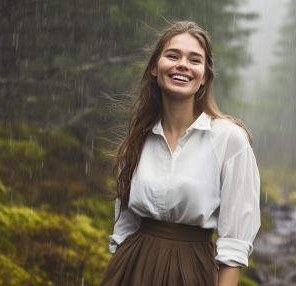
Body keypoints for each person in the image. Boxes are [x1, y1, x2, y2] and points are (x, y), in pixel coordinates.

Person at [100, 21, 261, 286]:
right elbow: (125, 227)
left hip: (192, 271)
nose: (183, 64)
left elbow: (234, 243)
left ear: (205, 77)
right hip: (131, 268)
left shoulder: (229, 139)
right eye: (173, 55)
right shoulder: (136, 141)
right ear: (155, 68)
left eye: (194, 60)